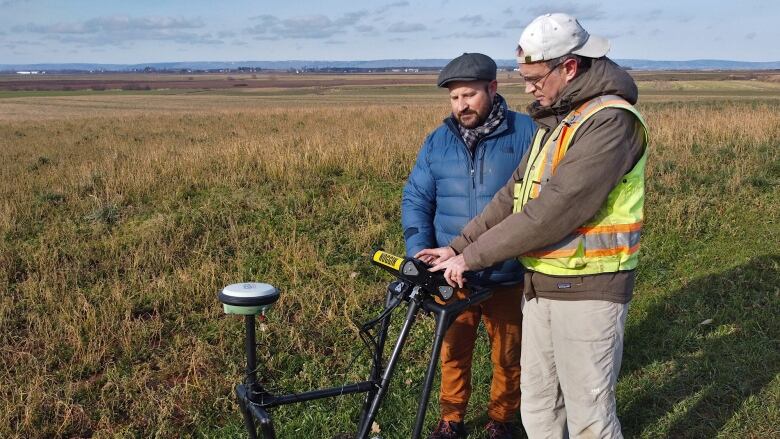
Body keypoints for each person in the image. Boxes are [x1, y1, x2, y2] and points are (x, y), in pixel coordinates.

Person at [416, 13, 649, 439]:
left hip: (589, 289)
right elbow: (513, 195)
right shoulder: (557, 122)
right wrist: (456, 247)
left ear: (570, 67)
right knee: (539, 409)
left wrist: (471, 257)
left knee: (589, 416)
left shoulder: (611, 122)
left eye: (536, 77)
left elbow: (554, 211)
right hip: (540, 284)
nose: (528, 88)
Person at [402, 52, 535, 439]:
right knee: (453, 352)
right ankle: (452, 419)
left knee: (509, 355)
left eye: (469, 95)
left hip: (507, 272)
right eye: (454, 98)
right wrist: (419, 249)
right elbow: (416, 199)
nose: (461, 105)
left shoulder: (526, 133)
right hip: (451, 274)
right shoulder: (438, 141)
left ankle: (501, 420)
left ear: (492, 89)